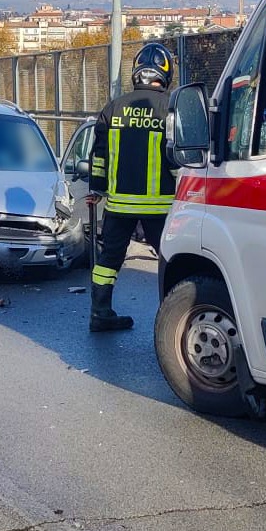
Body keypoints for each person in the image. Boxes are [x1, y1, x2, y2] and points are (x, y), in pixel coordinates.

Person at [86, 42, 178, 332]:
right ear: (165, 74)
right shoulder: (171, 108)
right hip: (161, 207)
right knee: (171, 262)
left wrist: (96, 189)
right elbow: (180, 156)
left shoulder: (113, 108)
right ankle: (172, 320)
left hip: (118, 205)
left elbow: (99, 156)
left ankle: (100, 313)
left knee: (107, 261)